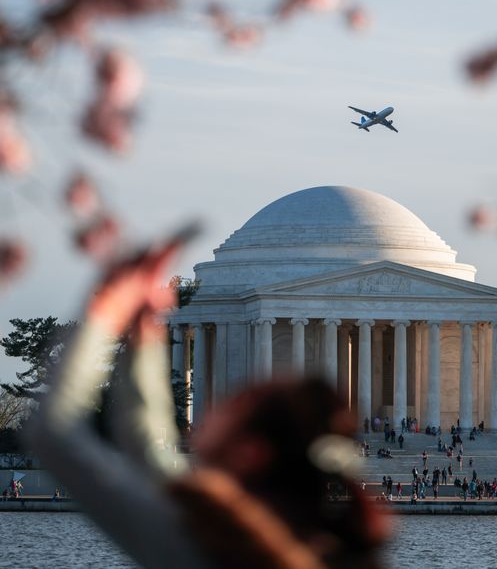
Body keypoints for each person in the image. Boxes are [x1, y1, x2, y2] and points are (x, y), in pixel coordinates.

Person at [28, 242, 388, 569]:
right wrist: (145, 336)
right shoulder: (340, 552)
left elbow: (57, 434)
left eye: (231, 408)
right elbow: (149, 451)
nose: (214, 412)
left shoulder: (200, 544)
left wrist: (108, 309)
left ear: (251, 452)